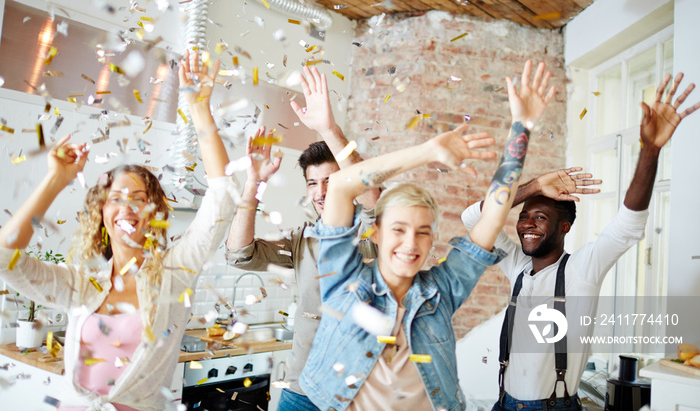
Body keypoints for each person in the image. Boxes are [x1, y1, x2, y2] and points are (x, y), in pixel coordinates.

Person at [299, 60, 555, 411]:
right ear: (375, 233)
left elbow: (493, 217)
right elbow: (343, 185)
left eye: (422, 232)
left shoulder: (442, 290)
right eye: (399, 230)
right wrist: (429, 152)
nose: (410, 243)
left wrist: (522, 127)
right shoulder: (341, 278)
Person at [0, 51, 237, 411]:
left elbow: (221, 199)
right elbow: (6, 259)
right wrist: (55, 180)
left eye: (139, 198)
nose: (127, 207)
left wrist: (200, 110)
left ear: (154, 212)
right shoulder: (82, 284)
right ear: (102, 212)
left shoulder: (175, 274)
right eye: (116, 199)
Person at [460, 73, 698, 410]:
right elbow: (473, 218)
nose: (527, 224)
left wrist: (650, 149)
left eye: (540, 217)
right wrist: (534, 187)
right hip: (504, 403)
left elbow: (628, 224)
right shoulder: (516, 265)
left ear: (565, 227)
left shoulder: (583, 269)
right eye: (524, 216)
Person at [224, 66, 381, 410]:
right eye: (313, 183)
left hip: (357, 394)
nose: (322, 192)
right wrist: (253, 184)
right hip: (302, 391)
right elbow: (239, 254)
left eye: (331, 181)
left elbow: (375, 199)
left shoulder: (375, 231)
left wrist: (329, 129)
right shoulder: (303, 239)